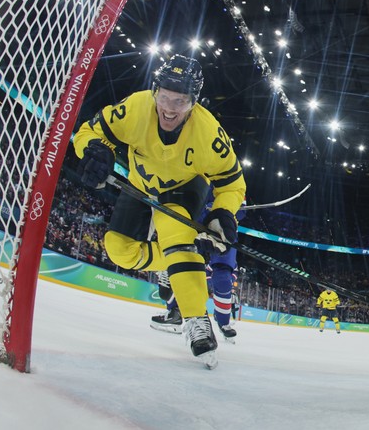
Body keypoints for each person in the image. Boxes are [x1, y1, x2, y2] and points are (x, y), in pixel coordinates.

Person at [74, 55, 245, 369]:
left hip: (185, 187)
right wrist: (93, 151)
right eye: (164, 96)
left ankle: (196, 320)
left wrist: (223, 213)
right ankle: (174, 261)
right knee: (119, 251)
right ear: (154, 91)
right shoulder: (136, 107)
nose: (169, 108)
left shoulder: (209, 134)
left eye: (180, 101)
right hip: (139, 183)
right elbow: (88, 132)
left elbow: (233, 184)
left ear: (194, 102)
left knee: (176, 236)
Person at [151, 198, 246, 342]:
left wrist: (224, 211)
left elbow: (240, 208)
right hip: (193, 219)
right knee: (180, 259)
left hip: (220, 225)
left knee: (223, 277)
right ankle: (175, 312)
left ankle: (223, 322)